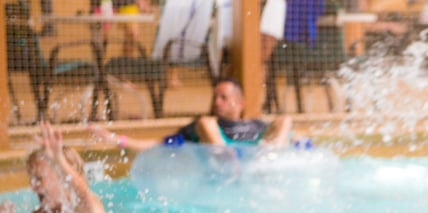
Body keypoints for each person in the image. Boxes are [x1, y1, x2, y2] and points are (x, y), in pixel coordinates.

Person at [91, 78, 293, 150]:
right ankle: (227, 159)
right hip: (223, 165)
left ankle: (272, 162)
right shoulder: (204, 127)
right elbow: (157, 145)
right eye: (215, 97)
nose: (217, 102)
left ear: (241, 103)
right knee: (205, 122)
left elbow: (297, 138)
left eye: (223, 97)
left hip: (258, 159)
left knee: (285, 120)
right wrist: (115, 138)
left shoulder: (256, 126)